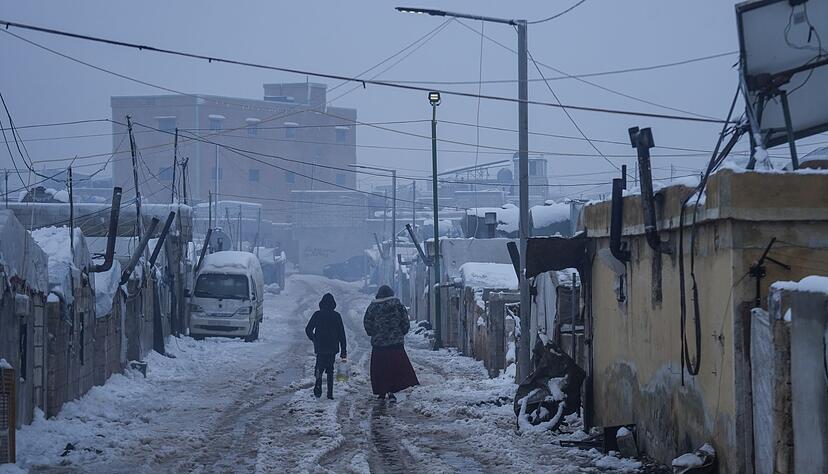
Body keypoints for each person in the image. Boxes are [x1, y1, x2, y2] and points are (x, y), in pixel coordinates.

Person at [363, 285, 419, 401]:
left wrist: (374, 333)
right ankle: (394, 391)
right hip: (396, 344)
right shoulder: (398, 306)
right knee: (395, 368)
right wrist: (400, 333)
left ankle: (381, 391)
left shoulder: (373, 307)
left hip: (379, 345)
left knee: (381, 369)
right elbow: (405, 322)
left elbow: (367, 323)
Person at [305, 293, 347, 399]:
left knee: (319, 367)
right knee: (330, 370)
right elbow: (342, 334)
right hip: (332, 347)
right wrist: (343, 350)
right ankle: (330, 393)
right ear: (333, 304)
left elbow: (308, 329)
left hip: (320, 346)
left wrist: (314, 339)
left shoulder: (317, 315)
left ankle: (318, 382)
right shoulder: (337, 316)